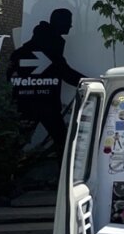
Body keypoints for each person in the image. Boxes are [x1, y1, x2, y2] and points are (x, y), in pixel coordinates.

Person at [8, 8, 86, 148]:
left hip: (26, 101)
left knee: (17, 142)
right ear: (60, 22)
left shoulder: (38, 44)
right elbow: (64, 72)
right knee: (62, 141)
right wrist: (89, 83)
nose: (70, 26)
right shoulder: (50, 45)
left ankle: (5, 167)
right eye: (68, 22)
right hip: (45, 102)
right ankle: (65, 170)